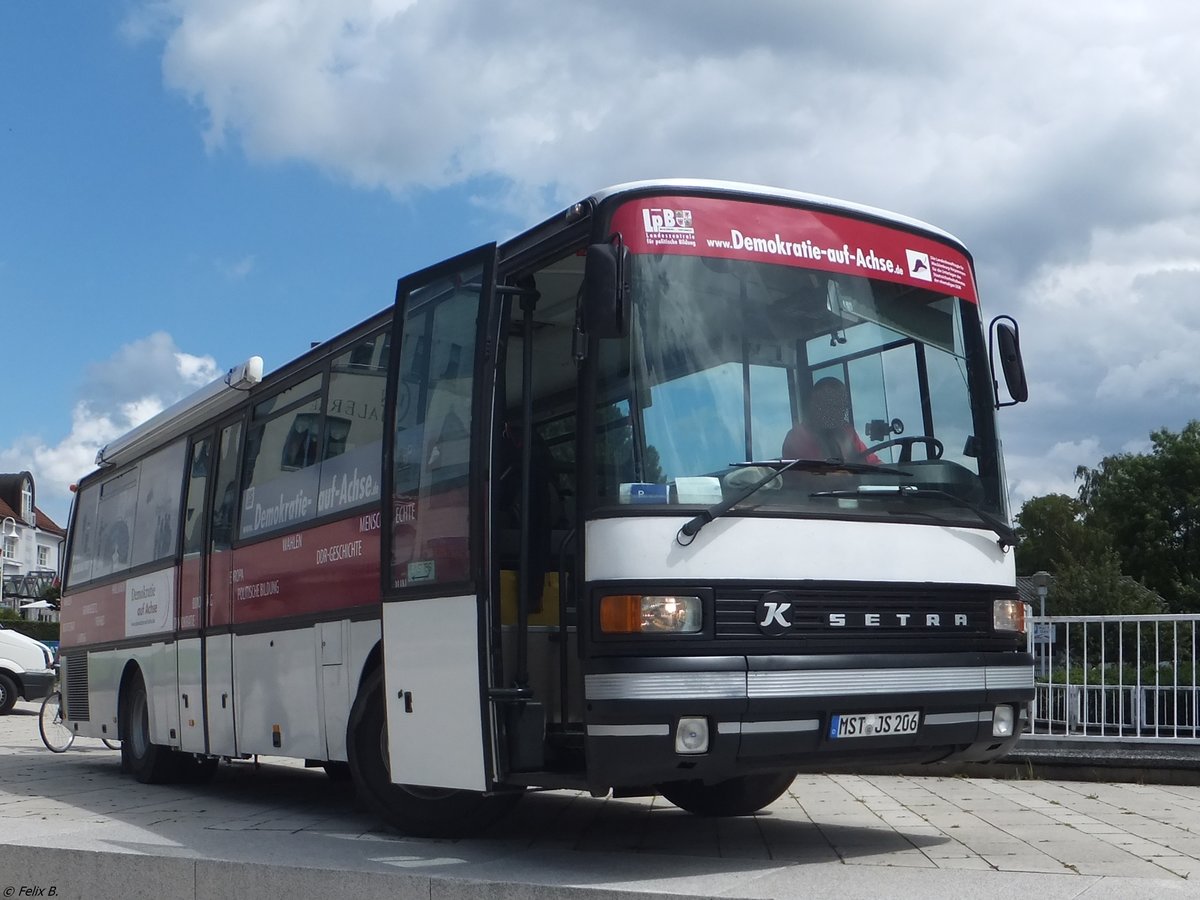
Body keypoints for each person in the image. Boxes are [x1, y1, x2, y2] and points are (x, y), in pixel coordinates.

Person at [782, 377, 881, 463]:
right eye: (831, 405)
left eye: (841, 405)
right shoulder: (798, 438)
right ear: (814, 405)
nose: (839, 411)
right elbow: (811, 477)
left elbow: (873, 462)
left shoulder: (847, 431)